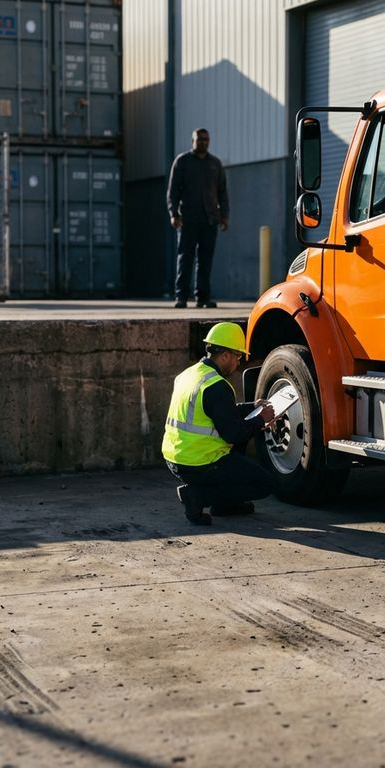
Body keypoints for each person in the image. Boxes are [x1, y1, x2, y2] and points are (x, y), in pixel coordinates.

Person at [162, 322, 277, 525]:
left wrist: (253, 406)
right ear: (225, 355)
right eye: (238, 357)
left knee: (239, 449)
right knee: (265, 483)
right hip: (199, 463)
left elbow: (217, 411)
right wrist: (261, 419)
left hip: (175, 458)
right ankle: (198, 498)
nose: (238, 363)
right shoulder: (217, 386)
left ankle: (225, 505)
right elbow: (234, 434)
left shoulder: (189, 374)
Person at [166, 128, 229, 309]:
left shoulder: (215, 164)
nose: (203, 142)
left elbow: (222, 192)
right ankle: (181, 297)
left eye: (206, 139)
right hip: (187, 219)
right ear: (192, 140)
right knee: (185, 258)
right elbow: (172, 191)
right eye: (199, 139)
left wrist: (224, 216)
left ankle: (203, 297)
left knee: (205, 259)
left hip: (209, 219)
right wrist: (173, 214)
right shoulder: (182, 162)